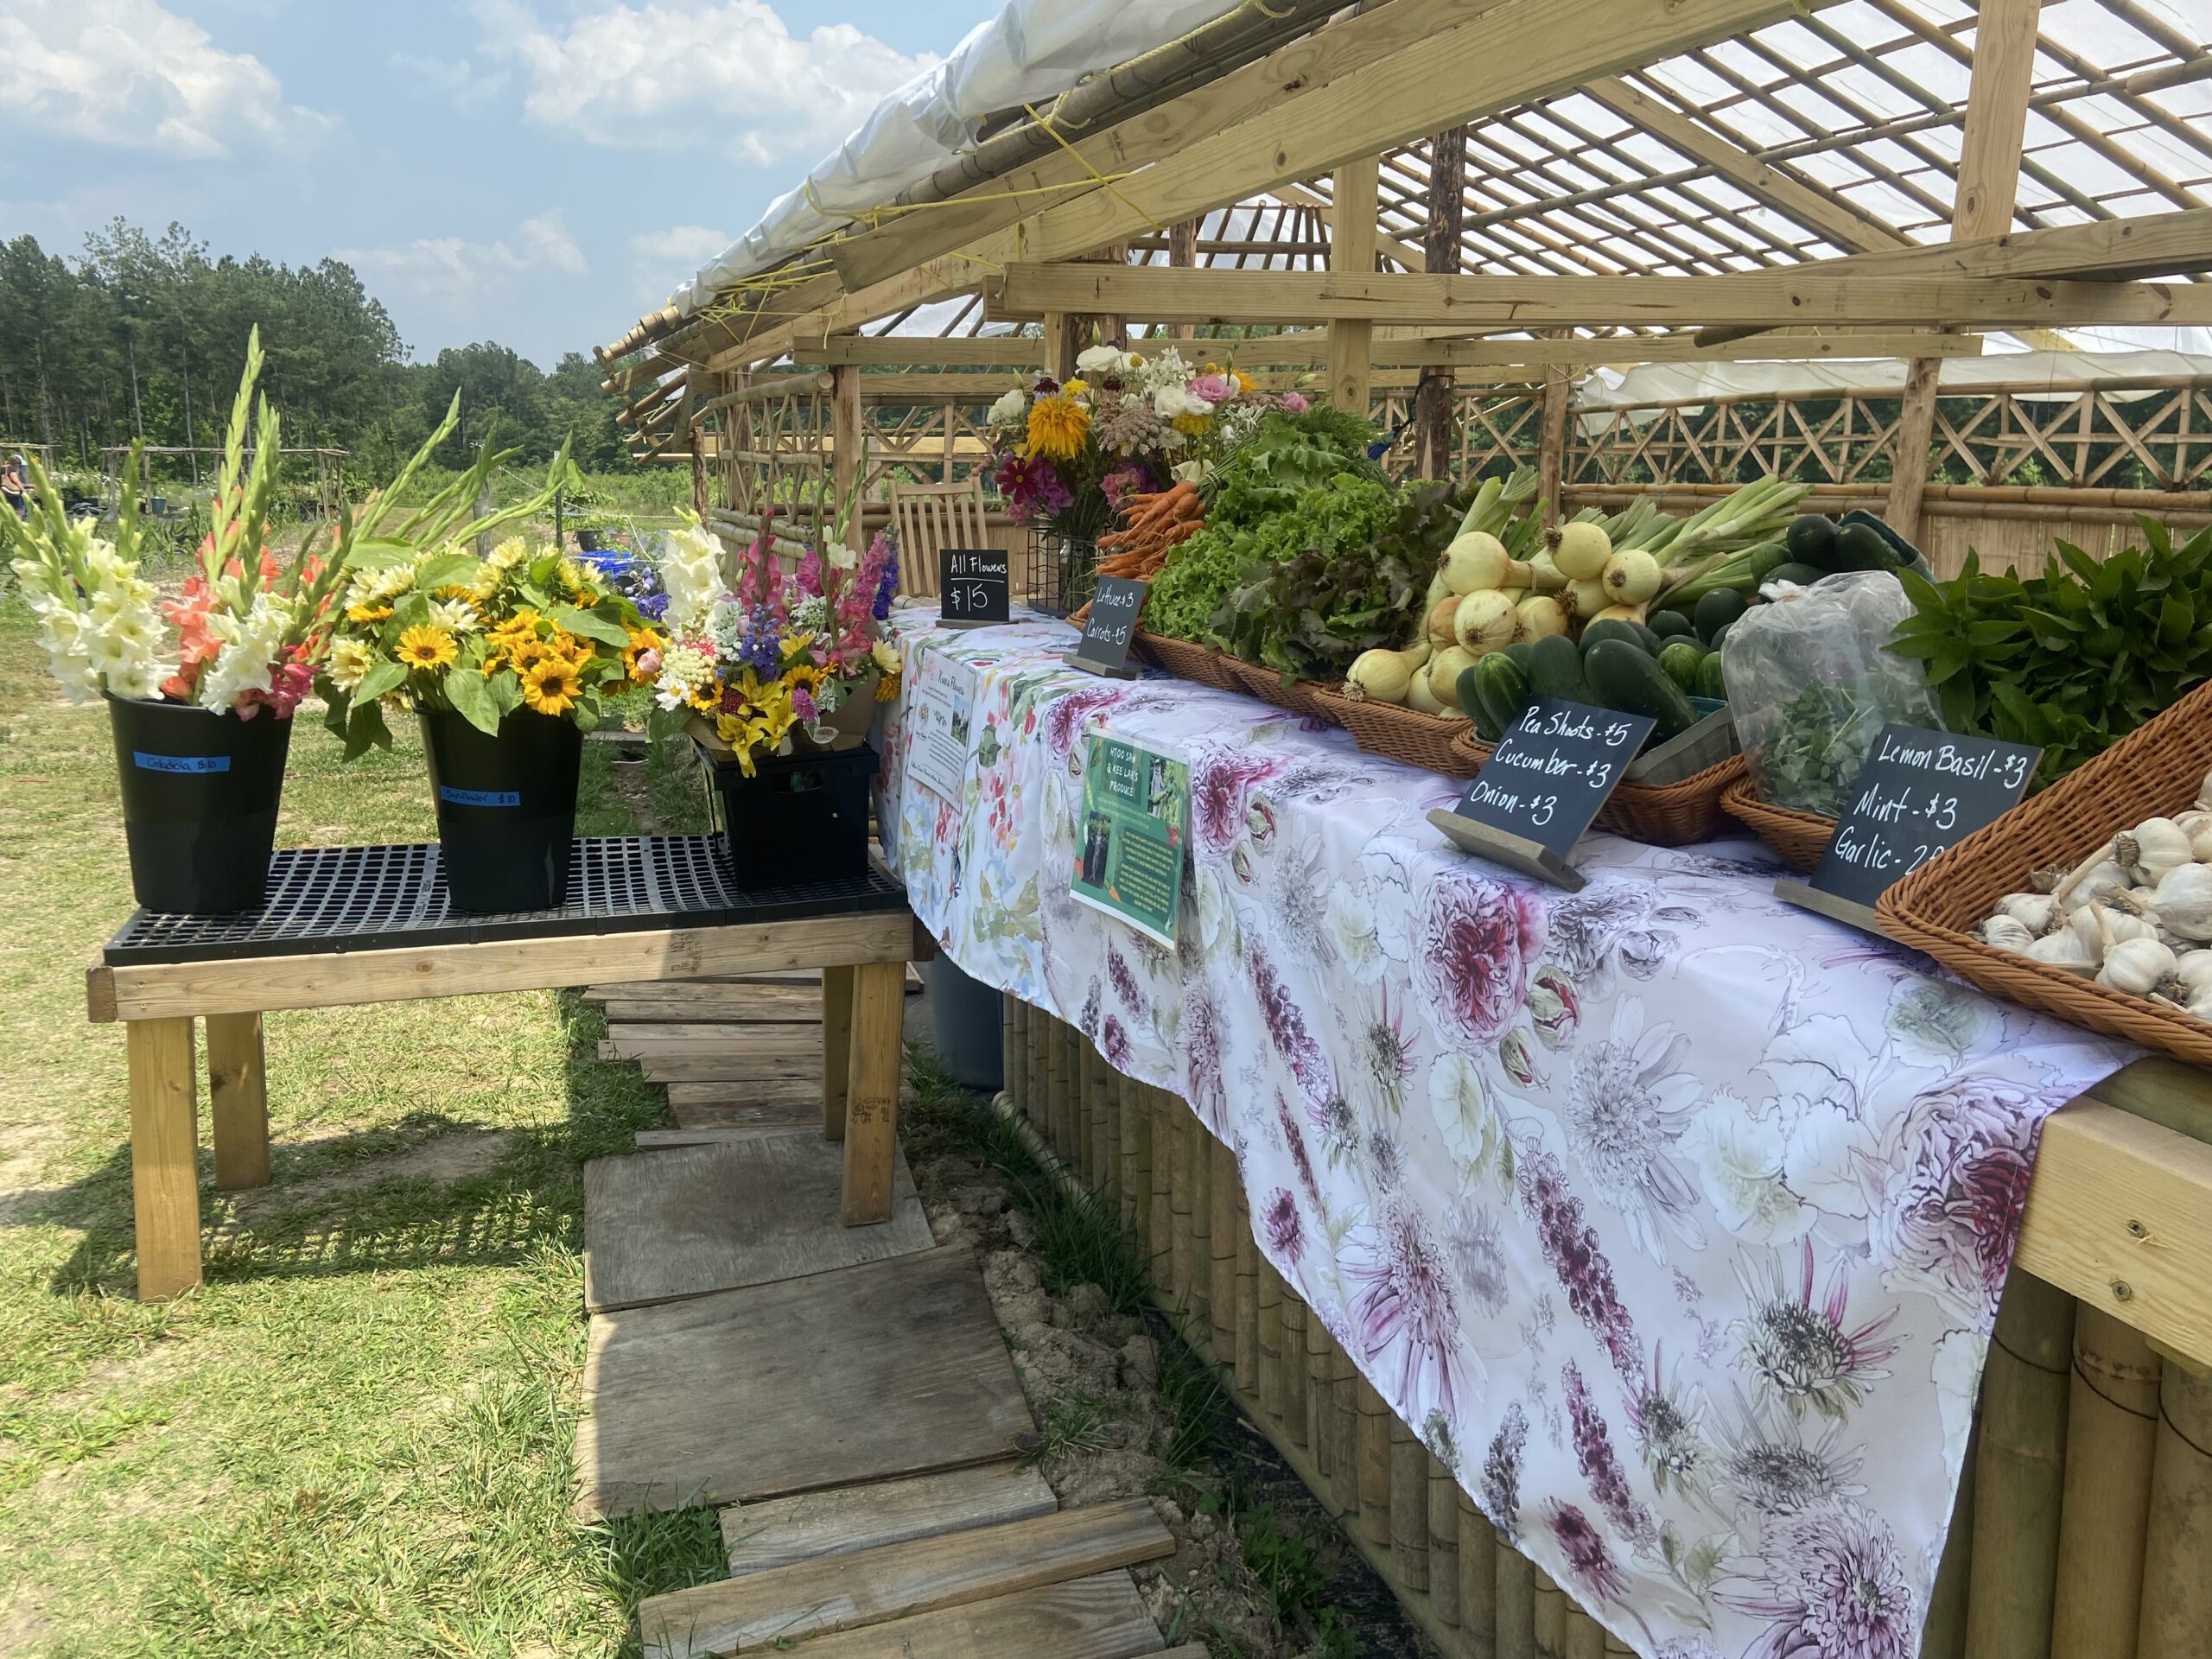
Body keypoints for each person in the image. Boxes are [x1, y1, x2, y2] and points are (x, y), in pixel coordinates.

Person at [1, 456, 26, 520]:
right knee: (18, 511)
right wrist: (23, 490)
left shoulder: (2, 468)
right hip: (14, 493)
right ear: (16, 464)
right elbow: (16, 481)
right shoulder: (12, 469)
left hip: (5, 491)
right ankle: (18, 524)